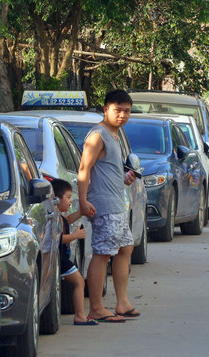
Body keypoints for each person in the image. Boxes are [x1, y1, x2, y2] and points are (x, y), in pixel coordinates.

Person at [78, 89, 138, 323]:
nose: (122, 115)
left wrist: (124, 177)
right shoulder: (97, 135)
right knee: (103, 254)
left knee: (125, 249)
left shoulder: (114, 135)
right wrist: (83, 202)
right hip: (104, 205)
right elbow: (84, 169)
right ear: (106, 110)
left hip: (117, 204)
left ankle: (122, 303)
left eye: (127, 111)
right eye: (118, 110)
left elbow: (106, 169)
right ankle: (96, 308)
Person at [50, 179, 98, 326]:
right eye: (68, 197)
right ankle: (80, 316)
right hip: (61, 258)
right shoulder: (53, 216)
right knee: (78, 282)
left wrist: (81, 212)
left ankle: (80, 315)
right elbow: (58, 239)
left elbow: (68, 220)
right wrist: (75, 236)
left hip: (62, 258)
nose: (71, 201)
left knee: (78, 282)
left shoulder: (59, 215)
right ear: (57, 199)